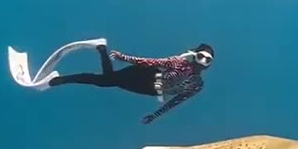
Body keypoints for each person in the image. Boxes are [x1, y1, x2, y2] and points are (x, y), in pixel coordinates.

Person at [48, 43, 215, 124]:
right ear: (194, 55)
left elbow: (176, 101)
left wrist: (155, 116)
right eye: (201, 56)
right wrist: (124, 58)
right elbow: (151, 62)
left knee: (107, 80)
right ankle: (62, 79)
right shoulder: (179, 62)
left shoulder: (197, 85)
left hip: (150, 90)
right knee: (106, 81)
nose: (203, 61)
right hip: (146, 75)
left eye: (208, 60)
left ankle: (100, 48)